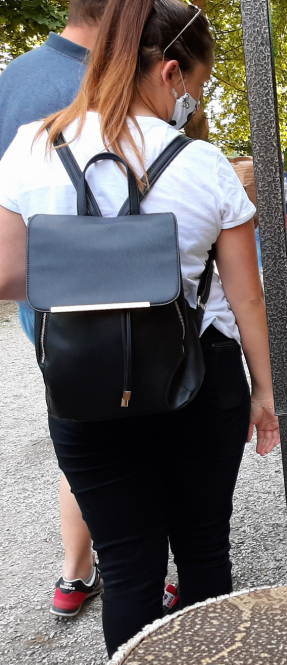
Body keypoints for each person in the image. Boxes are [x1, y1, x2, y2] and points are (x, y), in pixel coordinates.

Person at [0, 0, 280, 656]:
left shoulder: (34, 147)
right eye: (200, 84)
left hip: (87, 388)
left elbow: (6, 276)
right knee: (206, 555)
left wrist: (87, 257)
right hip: (201, 382)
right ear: (172, 73)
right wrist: (265, 395)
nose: (196, 97)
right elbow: (249, 301)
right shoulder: (205, 164)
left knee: (129, 573)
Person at [0, 0, 109, 619]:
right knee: (143, 419)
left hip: (43, 310)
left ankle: (76, 571)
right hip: (133, 301)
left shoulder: (10, 80)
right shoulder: (119, 74)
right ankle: (140, 564)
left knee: (75, 426)